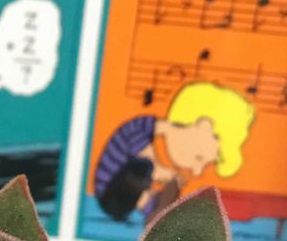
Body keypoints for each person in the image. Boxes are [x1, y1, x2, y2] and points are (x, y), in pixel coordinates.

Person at [94, 81, 255, 221]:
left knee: (162, 193)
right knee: (147, 168)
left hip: (125, 198)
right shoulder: (140, 129)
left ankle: (156, 214)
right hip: (110, 191)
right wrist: (164, 173)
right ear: (202, 125)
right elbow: (145, 157)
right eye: (199, 158)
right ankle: (155, 212)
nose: (197, 171)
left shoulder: (150, 134)